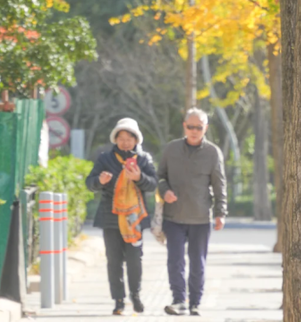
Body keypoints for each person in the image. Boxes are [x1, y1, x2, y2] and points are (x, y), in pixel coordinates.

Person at [158, 108, 227, 316]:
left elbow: (219, 185)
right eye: (191, 127)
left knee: (198, 261)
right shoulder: (171, 149)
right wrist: (165, 191)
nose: (195, 131)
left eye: (199, 127)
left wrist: (220, 212)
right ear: (184, 126)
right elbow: (160, 176)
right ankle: (179, 300)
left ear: (205, 128)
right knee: (175, 260)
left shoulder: (213, 152)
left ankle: (195, 302)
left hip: (200, 218)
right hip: (173, 217)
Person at [86, 118, 157, 316]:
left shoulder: (144, 159)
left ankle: (135, 295)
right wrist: (100, 181)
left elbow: (153, 184)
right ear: (115, 139)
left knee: (135, 259)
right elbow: (89, 182)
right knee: (113, 260)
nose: (125, 142)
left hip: (134, 218)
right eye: (121, 138)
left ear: (136, 140)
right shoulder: (105, 159)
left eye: (129, 138)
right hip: (111, 217)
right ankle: (118, 300)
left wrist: (138, 178)